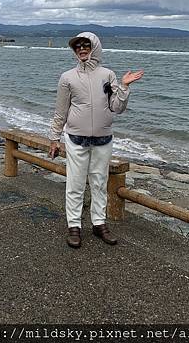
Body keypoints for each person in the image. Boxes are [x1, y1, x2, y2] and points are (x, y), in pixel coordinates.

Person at [49, 32, 144, 248]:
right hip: (76, 139)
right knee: (75, 184)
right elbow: (60, 112)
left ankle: (99, 224)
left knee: (100, 183)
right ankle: (74, 226)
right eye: (78, 46)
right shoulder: (67, 77)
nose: (82, 49)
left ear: (95, 47)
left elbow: (117, 108)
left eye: (86, 45)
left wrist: (125, 87)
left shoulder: (108, 74)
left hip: (103, 140)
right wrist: (54, 138)